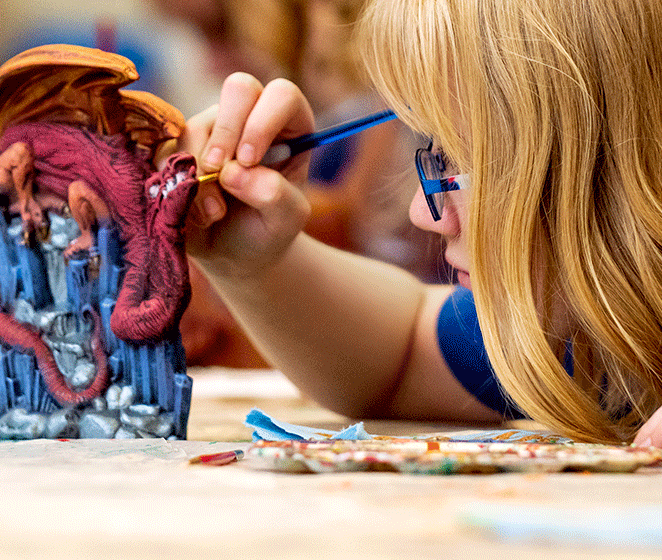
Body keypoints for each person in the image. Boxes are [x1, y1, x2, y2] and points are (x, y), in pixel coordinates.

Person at [176, 0, 662, 445]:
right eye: (431, 151)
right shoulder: (593, 332)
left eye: (458, 158)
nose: (422, 215)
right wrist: (252, 261)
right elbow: (399, 357)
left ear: (613, 179)